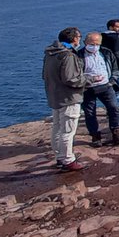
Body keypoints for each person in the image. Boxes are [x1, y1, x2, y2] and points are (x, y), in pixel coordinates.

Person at [42, 27, 88, 171]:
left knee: (57, 127)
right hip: (69, 97)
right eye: (79, 36)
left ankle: (60, 157)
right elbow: (71, 79)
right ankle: (68, 160)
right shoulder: (68, 56)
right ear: (74, 39)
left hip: (55, 95)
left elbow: (44, 75)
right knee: (68, 130)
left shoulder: (50, 54)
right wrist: (87, 80)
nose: (80, 39)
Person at [80, 30, 119, 145]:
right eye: (91, 43)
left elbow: (115, 68)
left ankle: (116, 133)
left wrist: (112, 81)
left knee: (114, 108)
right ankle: (95, 136)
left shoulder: (106, 53)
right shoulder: (78, 56)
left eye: (97, 44)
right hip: (87, 89)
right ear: (85, 42)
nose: (94, 46)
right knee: (90, 113)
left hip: (106, 86)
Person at [102, 18, 119, 95]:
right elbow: (117, 52)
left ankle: (110, 104)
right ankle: (114, 105)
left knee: (110, 86)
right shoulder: (116, 39)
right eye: (117, 27)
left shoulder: (101, 37)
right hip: (118, 66)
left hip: (106, 65)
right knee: (118, 89)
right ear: (110, 27)